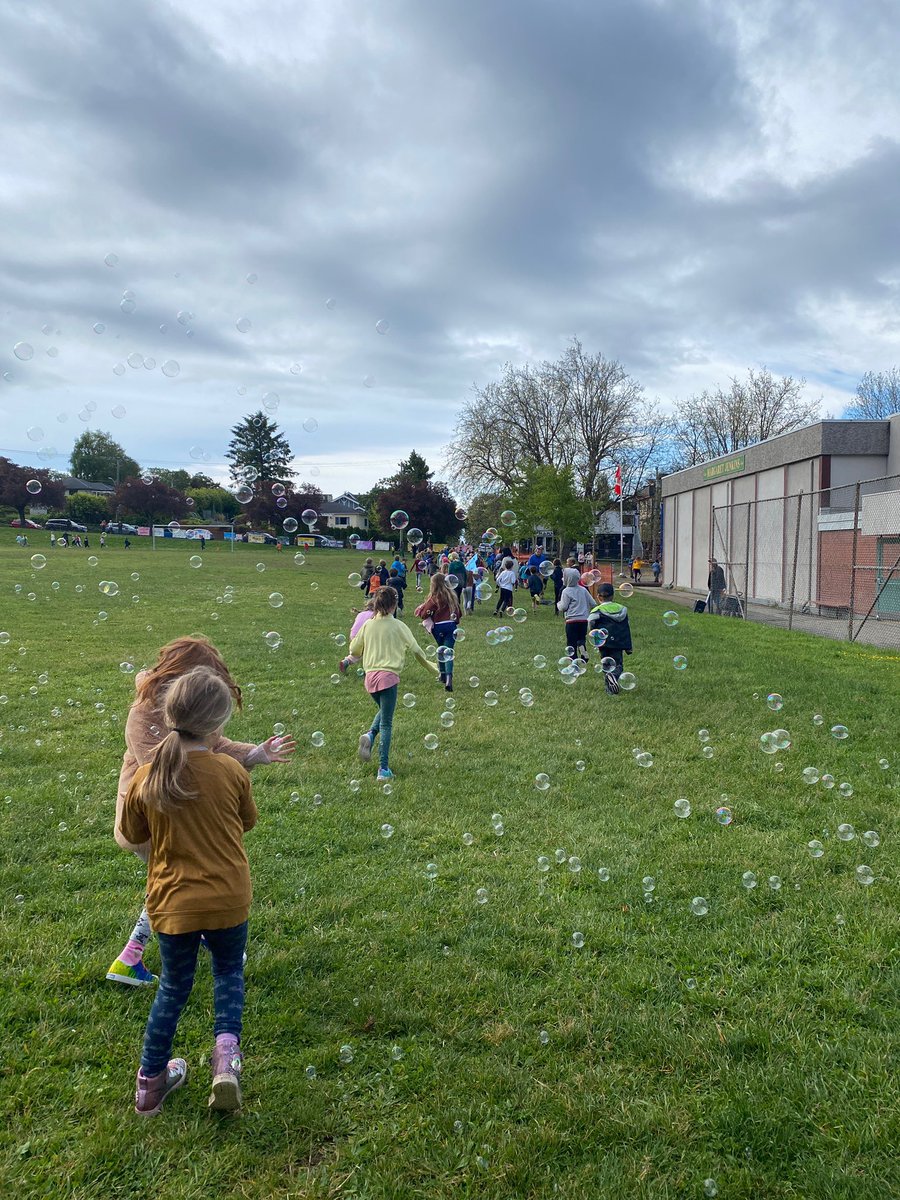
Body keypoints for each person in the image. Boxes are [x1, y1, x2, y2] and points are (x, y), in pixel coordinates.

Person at [107, 636, 296, 988]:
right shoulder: (144, 711)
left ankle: (137, 954)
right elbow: (159, 767)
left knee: (180, 877)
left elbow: (213, 745)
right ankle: (142, 950)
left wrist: (254, 754)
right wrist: (222, 779)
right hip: (151, 814)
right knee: (177, 879)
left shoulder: (191, 702)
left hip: (184, 811)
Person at [119, 666, 256, 1115]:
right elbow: (247, 821)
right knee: (228, 976)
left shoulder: (147, 776)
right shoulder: (231, 771)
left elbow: (133, 831)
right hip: (228, 899)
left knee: (174, 988)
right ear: (218, 726)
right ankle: (225, 1066)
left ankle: (150, 1087)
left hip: (171, 903)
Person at [350, 586, 440, 779]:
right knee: (387, 723)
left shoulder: (368, 625)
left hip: (370, 678)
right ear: (395, 605)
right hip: (388, 677)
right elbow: (417, 651)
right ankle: (383, 769)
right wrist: (433, 668)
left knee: (383, 711)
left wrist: (358, 653)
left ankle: (370, 736)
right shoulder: (399, 626)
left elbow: (354, 649)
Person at [415, 573, 461, 692]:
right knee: (449, 652)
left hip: (438, 627)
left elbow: (425, 614)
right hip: (451, 626)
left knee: (441, 649)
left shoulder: (434, 597)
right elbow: (458, 613)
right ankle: (449, 680)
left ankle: (442, 675)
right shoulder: (452, 596)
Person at [589, 582, 633, 694]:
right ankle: (613, 680)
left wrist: (594, 635)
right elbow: (626, 625)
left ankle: (609, 688)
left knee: (606, 663)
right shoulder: (622, 609)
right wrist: (628, 646)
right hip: (619, 642)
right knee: (618, 664)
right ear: (613, 596)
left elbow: (590, 622)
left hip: (603, 642)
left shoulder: (597, 610)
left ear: (598, 596)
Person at [556, 566, 592, 660]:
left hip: (571, 620)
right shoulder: (583, 589)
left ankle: (574, 661)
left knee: (571, 642)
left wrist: (558, 604)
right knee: (581, 638)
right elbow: (593, 603)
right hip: (584, 620)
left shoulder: (566, 591)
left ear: (568, 579)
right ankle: (582, 648)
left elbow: (563, 607)